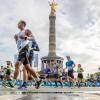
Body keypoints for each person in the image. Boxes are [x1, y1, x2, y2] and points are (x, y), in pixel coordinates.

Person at [3, 20, 42, 89]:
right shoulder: (18, 34)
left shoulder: (26, 31)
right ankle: (38, 80)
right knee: (27, 68)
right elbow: (18, 44)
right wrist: (16, 39)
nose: (17, 24)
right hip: (20, 50)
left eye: (19, 23)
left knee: (17, 64)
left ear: (23, 24)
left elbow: (33, 38)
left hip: (25, 49)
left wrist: (25, 37)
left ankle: (13, 83)